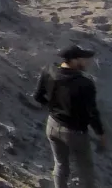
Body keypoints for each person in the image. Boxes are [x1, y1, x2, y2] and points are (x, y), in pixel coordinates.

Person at [33, 45, 105, 188]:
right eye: (84, 59)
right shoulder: (85, 84)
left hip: (52, 125)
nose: (87, 62)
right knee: (86, 171)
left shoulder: (48, 71)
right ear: (73, 60)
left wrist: (53, 108)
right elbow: (92, 113)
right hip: (75, 132)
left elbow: (38, 96)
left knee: (60, 165)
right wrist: (101, 133)